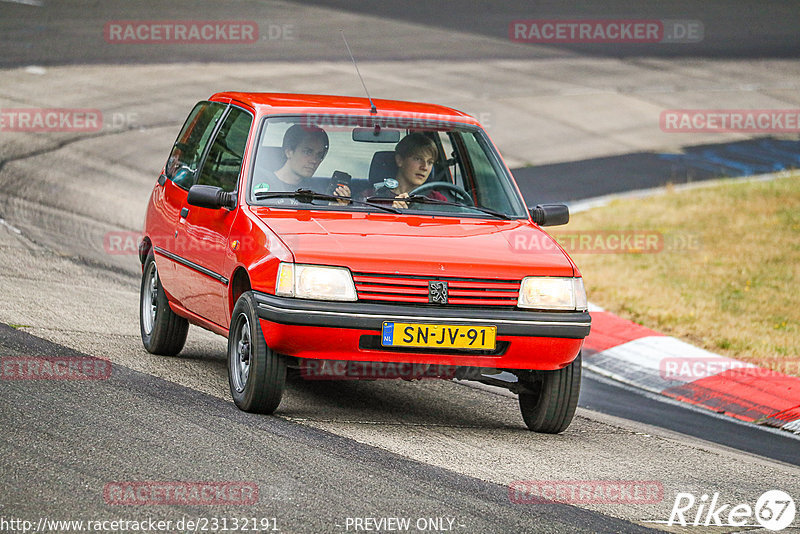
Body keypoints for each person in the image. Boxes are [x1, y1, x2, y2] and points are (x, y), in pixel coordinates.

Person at [253, 124, 350, 203]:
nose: (314, 160)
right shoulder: (259, 185)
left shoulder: (318, 193)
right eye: (308, 152)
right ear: (289, 152)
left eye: (319, 155)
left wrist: (335, 208)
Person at [371, 132, 446, 209]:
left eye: (430, 162)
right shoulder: (373, 197)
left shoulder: (437, 200)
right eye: (418, 159)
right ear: (400, 160)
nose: (425, 167)